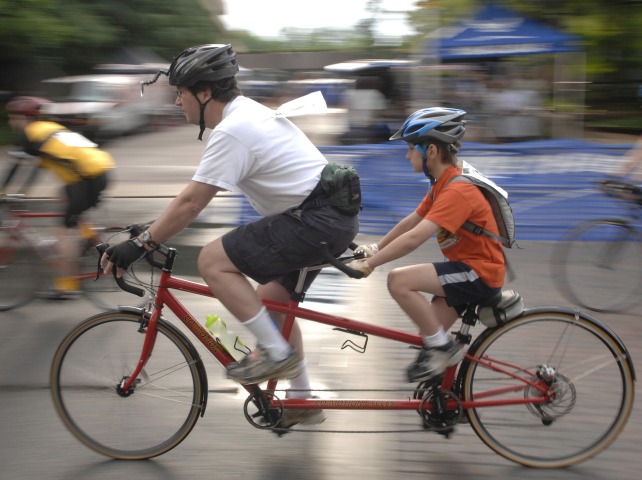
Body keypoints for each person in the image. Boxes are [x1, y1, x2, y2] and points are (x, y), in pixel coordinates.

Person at [100, 44, 360, 428]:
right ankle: (303, 400)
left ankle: (274, 353)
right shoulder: (247, 115)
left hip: (315, 222)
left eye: (181, 93)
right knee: (273, 302)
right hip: (326, 219)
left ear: (204, 93)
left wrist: (141, 245)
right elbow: (188, 198)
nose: (176, 101)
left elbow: (192, 203)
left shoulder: (234, 130)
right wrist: (149, 231)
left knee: (212, 260)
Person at [347, 107, 506, 383]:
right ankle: (443, 402)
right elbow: (411, 221)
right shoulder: (443, 184)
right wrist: (376, 247)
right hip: (465, 269)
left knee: (398, 281)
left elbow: (414, 238)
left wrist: (371, 265)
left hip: (478, 272)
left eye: (411, 149)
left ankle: (444, 349)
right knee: (428, 334)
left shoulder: (458, 190)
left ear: (431, 151)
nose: (408, 155)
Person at [3, 95, 114, 298]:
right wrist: (21, 193)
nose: (11, 122)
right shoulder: (48, 129)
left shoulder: (30, 133)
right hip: (95, 173)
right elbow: (34, 168)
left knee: (63, 230)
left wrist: (3, 192)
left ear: (22, 117)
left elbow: (15, 168)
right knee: (60, 196)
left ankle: (68, 286)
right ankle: (88, 237)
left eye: (13, 117)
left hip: (87, 180)